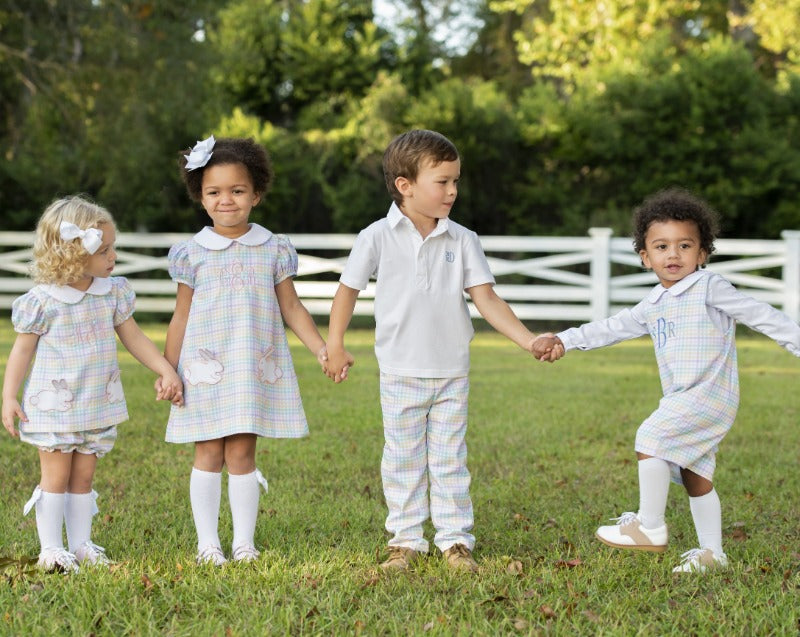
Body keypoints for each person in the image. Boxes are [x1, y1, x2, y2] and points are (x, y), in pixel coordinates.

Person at [532, 187, 800, 573]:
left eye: (684, 245)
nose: (672, 255)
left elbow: (760, 313)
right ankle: (713, 554)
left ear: (702, 253)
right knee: (696, 474)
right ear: (645, 256)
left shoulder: (709, 287)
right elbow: (611, 328)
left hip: (708, 393)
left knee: (651, 438)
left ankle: (650, 525)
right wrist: (565, 339)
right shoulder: (654, 302)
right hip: (683, 396)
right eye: (661, 247)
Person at [325, 129, 541, 573]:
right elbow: (347, 291)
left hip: (451, 371)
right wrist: (334, 344)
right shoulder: (376, 237)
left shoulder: (463, 239)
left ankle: (455, 543)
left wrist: (528, 339)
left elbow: (486, 299)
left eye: (456, 181)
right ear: (405, 185)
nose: (453, 191)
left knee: (448, 459)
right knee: (402, 457)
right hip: (400, 369)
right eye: (442, 181)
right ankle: (404, 542)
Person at [162, 135, 341, 566]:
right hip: (203, 369)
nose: (226, 200)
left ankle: (243, 542)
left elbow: (292, 307)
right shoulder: (192, 253)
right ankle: (208, 543)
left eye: (237, 190)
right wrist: (167, 369)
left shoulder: (273, 248)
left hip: (249, 368)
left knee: (242, 452)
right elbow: (180, 318)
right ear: (200, 197)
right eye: (214, 192)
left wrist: (322, 348)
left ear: (256, 193)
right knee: (207, 451)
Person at [1, 195, 184, 573]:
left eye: (113, 247)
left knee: (83, 478)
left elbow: (134, 338)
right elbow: (21, 353)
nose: (113, 256)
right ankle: (51, 550)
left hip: (96, 403)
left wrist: (165, 368)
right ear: (73, 253)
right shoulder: (43, 301)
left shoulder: (111, 292)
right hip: (53, 408)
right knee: (55, 477)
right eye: (105, 250)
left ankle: (82, 545)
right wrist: (8, 396)